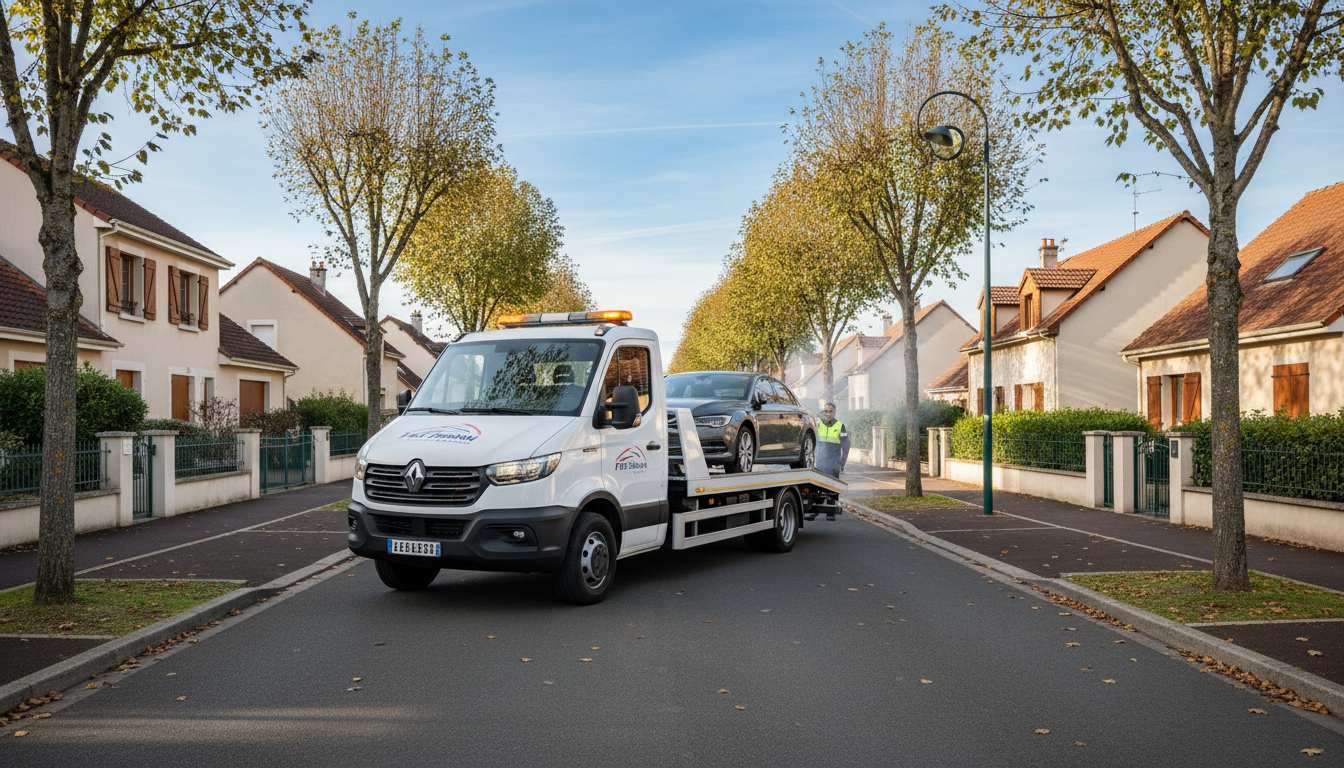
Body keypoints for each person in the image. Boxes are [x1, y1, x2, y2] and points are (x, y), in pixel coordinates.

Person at [813, 402, 849, 520]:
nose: (828, 414)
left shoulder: (840, 425)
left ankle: (830, 512)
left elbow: (846, 445)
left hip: (834, 461)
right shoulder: (818, 424)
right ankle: (816, 509)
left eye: (830, 411)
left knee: (832, 487)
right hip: (820, 461)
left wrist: (842, 462)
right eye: (826, 411)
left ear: (835, 412)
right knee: (817, 485)